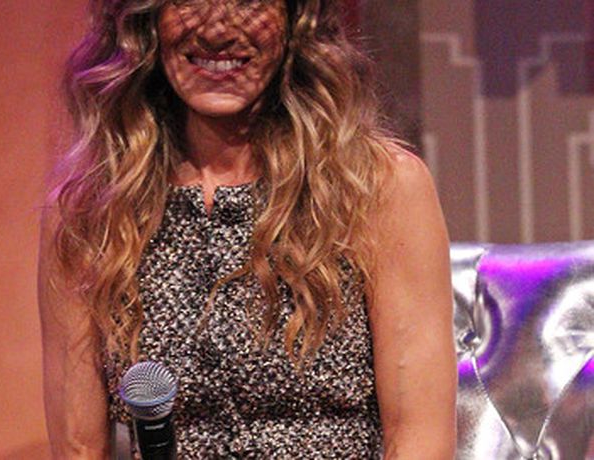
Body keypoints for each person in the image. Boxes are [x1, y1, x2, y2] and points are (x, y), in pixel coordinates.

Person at [38, 0, 457, 458]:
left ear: (296, 18)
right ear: (147, 18)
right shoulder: (90, 209)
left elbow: (420, 437)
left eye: (247, 1)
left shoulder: (378, 187)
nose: (217, 29)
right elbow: (78, 446)